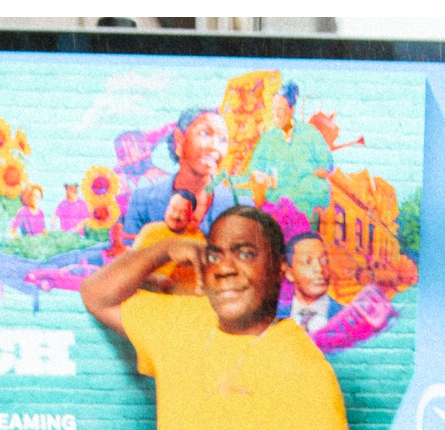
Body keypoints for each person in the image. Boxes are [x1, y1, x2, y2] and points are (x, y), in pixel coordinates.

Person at [80, 203, 348, 430]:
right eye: (214, 256)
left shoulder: (305, 374)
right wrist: (167, 248)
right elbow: (96, 294)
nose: (224, 268)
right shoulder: (180, 322)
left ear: (279, 270)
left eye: (245, 254)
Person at [124, 106, 235, 240]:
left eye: (223, 139)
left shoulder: (238, 205)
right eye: (205, 133)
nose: (215, 146)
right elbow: (130, 258)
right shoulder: (142, 202)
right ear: (179, 140)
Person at [236, 81, 333, 222]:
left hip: (307, 195)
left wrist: (308, 177)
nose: (275, 114)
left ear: (291, 109)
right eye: (273, 109)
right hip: (277, 197)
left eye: (280, 109)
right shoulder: (268, 138)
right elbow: (253, 169)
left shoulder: (310, 133)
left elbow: (327, 166)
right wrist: (262, 177)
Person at [132, 189, 207, 294]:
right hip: (150, 294)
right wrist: (157, 280)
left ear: (191, 215)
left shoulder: (197, 237)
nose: (176, 216)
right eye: (173, 209)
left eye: (183, 212)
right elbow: (133, 268)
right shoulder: (150, 231)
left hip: (186, 298)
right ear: (167, 208)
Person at [283, 231, 334, 335]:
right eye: (307, 261)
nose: (320, 269)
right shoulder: (270, 318)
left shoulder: (347, 318)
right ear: (290, 273)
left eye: (324, 260)